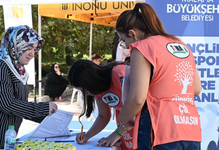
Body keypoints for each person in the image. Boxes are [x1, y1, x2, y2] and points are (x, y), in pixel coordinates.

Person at [116, 3, 202, 150]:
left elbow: (137, 99)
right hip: (190, 129)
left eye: (124, 41)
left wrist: (122, 120)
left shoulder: (143, 47)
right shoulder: (181, 45)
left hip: (159, 131)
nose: (126, 46)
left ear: (132, 33)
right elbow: (196, 89)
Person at [0, 25, 58, 150]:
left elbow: (20, 105)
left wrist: (51, 119)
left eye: (35, 48)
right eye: (29, 48)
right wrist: (43, 108)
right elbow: (7, 104)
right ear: (17, 45)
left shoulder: (17, 69)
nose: (33, 54)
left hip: (3, 136)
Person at [68, 59, 134, 150]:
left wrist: (116, 134)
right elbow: (103, 116)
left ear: (91, 81)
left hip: (146, 128)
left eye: (85, 90)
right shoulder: (97, 90)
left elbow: (139, 110)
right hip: (127, 131)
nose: (86, 94)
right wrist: (87, 136)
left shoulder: (119, 74)